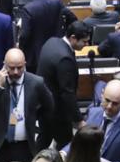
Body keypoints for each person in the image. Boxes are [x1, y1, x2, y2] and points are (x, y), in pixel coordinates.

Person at [38, 21, 90, 149]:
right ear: (73, 38)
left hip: (43, 103)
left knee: (44, 138)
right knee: (65, 144)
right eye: (84, 41)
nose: (86, 44)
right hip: (57, 111)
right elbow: (67, 93)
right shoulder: (64, 58)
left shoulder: (52, 41)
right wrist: (79, 120)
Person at [18, 0, 77, 73]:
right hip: (58, 51)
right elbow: (73, 19)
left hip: (36, 56)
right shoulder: (57, 2)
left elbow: (25, 35)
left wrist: (21, 49)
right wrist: (65, 36)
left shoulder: (28, 9)